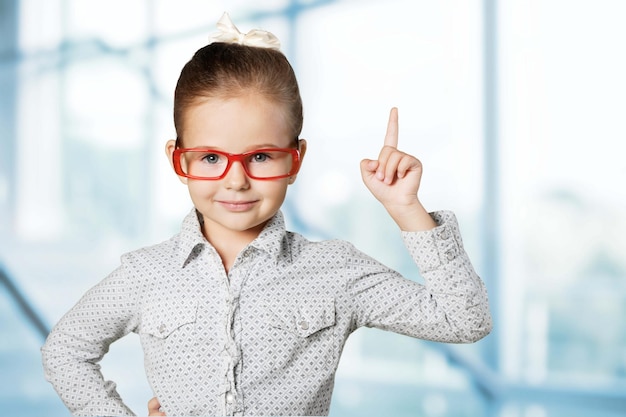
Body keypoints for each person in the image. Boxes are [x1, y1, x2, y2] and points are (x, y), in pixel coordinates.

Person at [42, 13, 492, 417]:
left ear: (295, 160)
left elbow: (465, 321)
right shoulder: (146, 274)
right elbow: (64, 351)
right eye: (210, 158)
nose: (236, 180)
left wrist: (406, 208)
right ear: (178, 161)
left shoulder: (333, 271)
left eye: (260, 156)